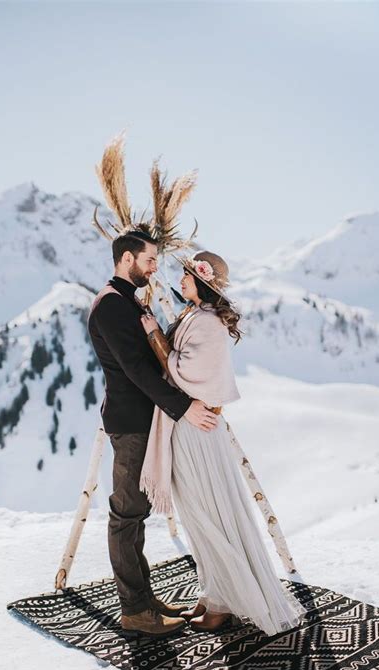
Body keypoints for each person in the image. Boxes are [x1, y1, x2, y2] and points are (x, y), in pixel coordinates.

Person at [140, 250, 308, 635]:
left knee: (206, 512)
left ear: (202, 282)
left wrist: (152, 334)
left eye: (186, 275)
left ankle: (226, 602)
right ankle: (216, 593)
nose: (180, 280)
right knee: (198, 513)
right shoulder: (195, 316)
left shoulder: (208, 324)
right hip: (188, 425)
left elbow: (183, 373)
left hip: (194, 431)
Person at [87, 229, 220, 639]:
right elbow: (137, 370)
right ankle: (134, 611)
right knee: (126, 515)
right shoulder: (111, 305)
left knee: (137, 514)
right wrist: (184, 408)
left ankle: (144, 599)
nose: (154, 268)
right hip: (131, 424)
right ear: (127, 259)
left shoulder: (126, 300)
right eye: (149, 260)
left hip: (143, 421)